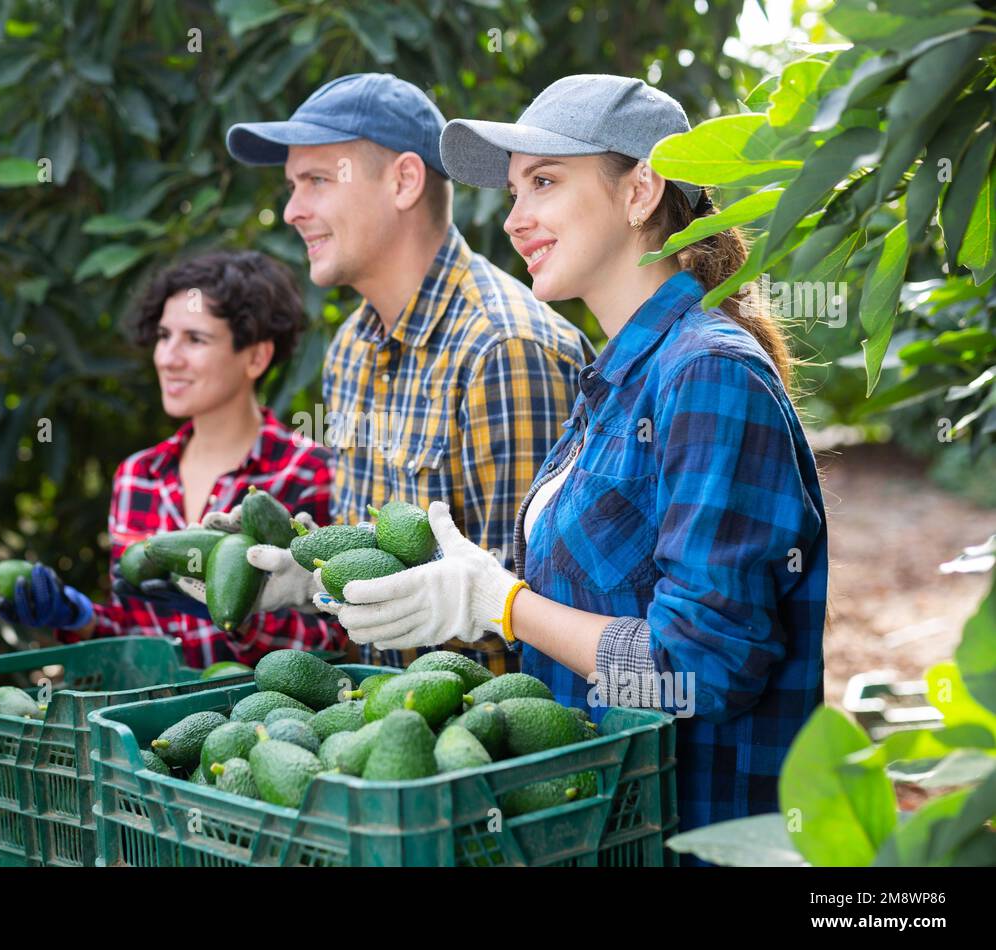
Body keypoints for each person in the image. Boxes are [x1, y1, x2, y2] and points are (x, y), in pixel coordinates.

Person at [322, 75, 828, 851]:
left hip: (689, 837)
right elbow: (599, 595)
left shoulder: (708, 373)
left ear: (640, 193)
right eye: (515, 190)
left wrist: (503, 605)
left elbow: (701, 673)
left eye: (546, 183)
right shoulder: (618, 379)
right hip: (602, 830)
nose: (517, 220)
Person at [203, 73, 593, 676]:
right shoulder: (351, 348)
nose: (291, 209)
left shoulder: (504, 348)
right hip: (373, 730)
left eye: (316, 181)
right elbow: (368, 555)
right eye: (291, 186)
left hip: (480, 753)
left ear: (405, 181)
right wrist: (308, 574)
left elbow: (540, 612)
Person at [0, 250, 344, 668]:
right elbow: (135, 639)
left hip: (262, 729)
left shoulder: (309, 471)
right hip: (154, 730)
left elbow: (334, 640)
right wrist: (76, 617)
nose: (166, 357)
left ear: (256, 357)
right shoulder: (137, 477)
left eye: (194, 339)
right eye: (163, 336)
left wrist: (237, 618)